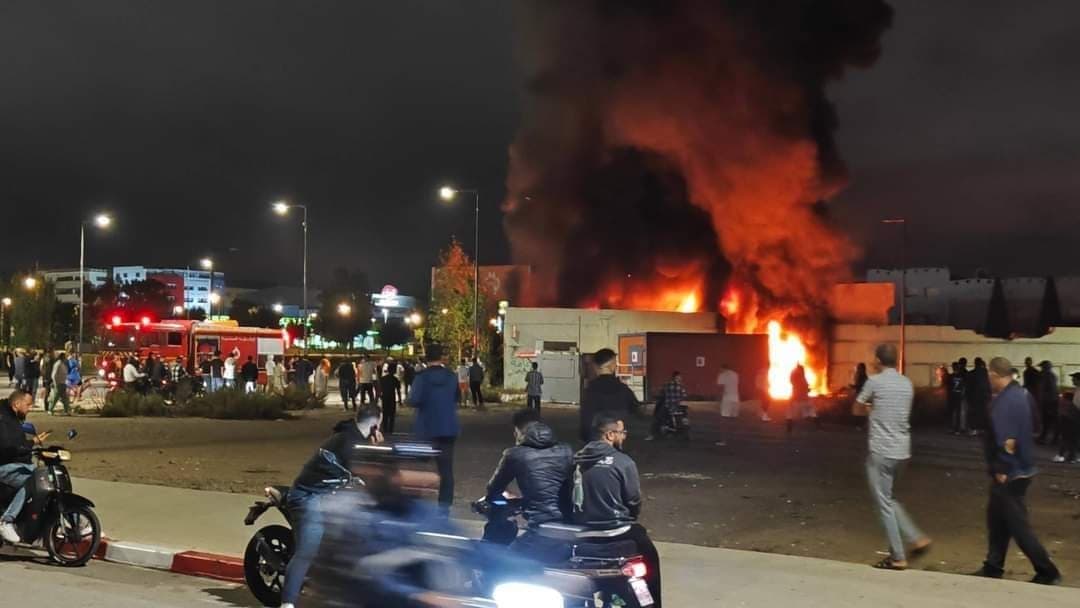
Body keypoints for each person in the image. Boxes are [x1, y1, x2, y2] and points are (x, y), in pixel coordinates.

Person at [279, 405, 384, 608]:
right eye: (380, 425)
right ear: (375, 425)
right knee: (307, 550)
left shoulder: (354, 438)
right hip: (308, 496)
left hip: (330, 495)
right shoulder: (349, 443)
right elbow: (370, 476)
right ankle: (287, 604)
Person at [975, 357, 1061, 584]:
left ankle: (1047, 570)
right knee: (996, 519)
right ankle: (993, 565)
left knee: (1018, 526)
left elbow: (1007, 440)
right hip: (1023, 467)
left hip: (1010, 472)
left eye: (990, 377)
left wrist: (1003, 467)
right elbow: (1036, 423)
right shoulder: (1023, 394)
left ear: (994, 375)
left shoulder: (1004, 402)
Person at [853, 343, 931, 570]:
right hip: (902, 451)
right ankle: (917, 538)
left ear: (878, 361)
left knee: (884, 504)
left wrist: (869, 409)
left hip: (882, 451)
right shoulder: (906, 384)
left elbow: (856, 408)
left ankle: (898, 556)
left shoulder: (874, 382)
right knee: (890, 498)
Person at [573, 414, 661, 606]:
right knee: (651, 557)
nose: (624, 436)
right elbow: (633, 500)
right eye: (622, 432)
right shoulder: (623, 462)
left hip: (583, 534)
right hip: (617, 532)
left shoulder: (576, 460)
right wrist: (630, 516)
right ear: (610, 435)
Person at [485, 408, 573, 563]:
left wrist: (504, 501)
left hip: (539, 531)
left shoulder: (515, 454)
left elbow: (494, 490)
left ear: (518, 431)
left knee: (502, 565)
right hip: (568, 529)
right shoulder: (566, 450)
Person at [407, 344, 460, 512]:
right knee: (446, 471)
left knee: (417, 467)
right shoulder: (451, 376)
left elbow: (413, 400)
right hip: (447, 429)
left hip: (426, 429)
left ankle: (414, 506)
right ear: (441, 358)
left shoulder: (421, 378)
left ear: (426, 358)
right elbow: (456, 397)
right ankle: (444, 507)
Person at [0, 390, 49, 543]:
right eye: (27, 405)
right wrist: (30, 444)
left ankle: (74, 519)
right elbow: (7, 447)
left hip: (16, 464)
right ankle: (6, 521)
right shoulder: (3, 421)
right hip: (4, 467)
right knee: (33, 480)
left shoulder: (14, 420)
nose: (30, 408)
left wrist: (32, 444)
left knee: (47, 477)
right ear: (16, 404)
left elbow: (17, 445)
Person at [579, 348, 639, 443]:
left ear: (595, 367)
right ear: (612, 365)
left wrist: (585, 437)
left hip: (596, 438)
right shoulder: (623, 389)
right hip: (617, 437)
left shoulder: (590, 390)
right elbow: (636, 409)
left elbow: (586, 417)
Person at [647, 371, 687, 441]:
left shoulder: (667, 384)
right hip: (677, 407)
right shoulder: (681, 386)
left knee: (656, 419)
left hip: (667, 406)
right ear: (677, 377)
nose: (680, 378)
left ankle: (652, 435)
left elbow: (661, 393)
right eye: (679, 377)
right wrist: (678, 399)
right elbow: (684, 396)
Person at [1055, 373, 1080, 464]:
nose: (1072, 380)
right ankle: (1072, 456)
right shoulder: (1077, 390)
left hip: (1075, 417)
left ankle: (1067, 456)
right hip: (1073, 417)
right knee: (1073, 437)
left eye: (1074, 379)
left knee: (1069, 437)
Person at [786, 363, 818, 434]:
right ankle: (816, 423)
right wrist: (808, 389)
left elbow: (791, 379)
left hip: (796, 398)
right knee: (810, 410)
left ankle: (789, 427)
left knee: (791, 413)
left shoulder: (796, 378)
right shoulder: (802, 379)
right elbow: (805, 388)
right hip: (803, 399)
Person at [1035, 361, 1059, 446]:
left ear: (1046, 367)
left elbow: (1052, 390)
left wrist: (1046, 402)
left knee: (1049, 421)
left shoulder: (1049, 376)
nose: (1041, 369)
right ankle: (1045, 437)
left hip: (1050, 403)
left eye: (1042, 367)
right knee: (1046, 421)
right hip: (1048, 402)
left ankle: (1052, 439)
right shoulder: (1048, 376)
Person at [966, 357, 992, 435]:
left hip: (974, 397)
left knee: (974, 413)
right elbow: (989, 385)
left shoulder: (971, 373)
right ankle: (982, 429)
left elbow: (968, 387)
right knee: (983, 413)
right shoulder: (986, 373)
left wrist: (968, 397)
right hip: (984, 397)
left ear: (975, 363)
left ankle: (974, 429)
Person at [46, 351, 71, 415]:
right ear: (62, 357)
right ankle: (50, 409)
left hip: (62, 383)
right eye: (65, 357)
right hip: (58, 383)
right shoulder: (58, 364)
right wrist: (55, 383)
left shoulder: (63, 364)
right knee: (55, 397)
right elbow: (54, 375)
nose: (66, 358)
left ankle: (67, 410)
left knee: (65, 398)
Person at [947, 361, 968, 435]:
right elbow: (964, 387)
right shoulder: (962, 376)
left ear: (953, 368)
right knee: (958, 413)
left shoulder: (950, 376)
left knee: (952, 413)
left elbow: (948, 388)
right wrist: (963, 394)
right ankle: (957, 429)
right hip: (959, 396)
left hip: (952, 396)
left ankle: (951, 428)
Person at [379, 366, 401, 435]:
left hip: (385, 398)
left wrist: (379, 397)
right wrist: (400, 400)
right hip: (392, 398)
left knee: (385, 415)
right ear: (394, 371)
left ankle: (384, 430)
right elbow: (398, 391)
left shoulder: (382, 379)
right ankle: (390, 431)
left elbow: (379, 390)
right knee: (391, 416)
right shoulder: (395, 379)